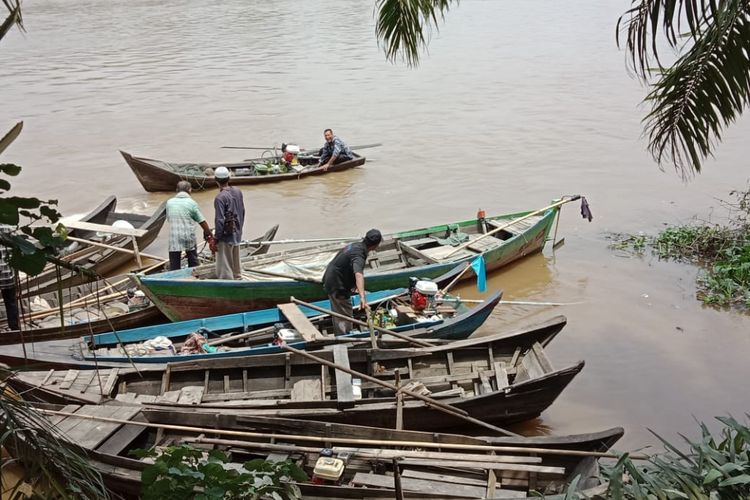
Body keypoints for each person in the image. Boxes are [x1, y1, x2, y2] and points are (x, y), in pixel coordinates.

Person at [322, 229, 382, 335]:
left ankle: (343, 333)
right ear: (375, 246)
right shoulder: (359, 255)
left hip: (332, 277)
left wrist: (353, 284)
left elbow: (346, 263)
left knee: (339, 311)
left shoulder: (356, 245)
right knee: (344, 312)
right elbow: (358, 274)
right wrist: (362, 297)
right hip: (337, 284)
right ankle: (344, 337)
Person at [166, 181, 212, 271]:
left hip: (174, 238)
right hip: (188, 237)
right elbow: (201, 220)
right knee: (193, 262)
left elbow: (169, 219)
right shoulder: (192, 203)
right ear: (190, 190)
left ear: (177, 190)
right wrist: (207, 232)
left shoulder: (169, 203)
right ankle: (194, 278)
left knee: (174, 265)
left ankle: (175, 280)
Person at [213, 166, 245, 279]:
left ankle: (227, 285)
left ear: (216, 180)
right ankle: (237, 278)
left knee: (225, 268)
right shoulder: (237, 191)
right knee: (236, 267)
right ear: (229, 178)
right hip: (237, 232)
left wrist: (216, 238)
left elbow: (219, 220)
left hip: (226, 236)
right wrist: (239, 229)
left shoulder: (220, 198)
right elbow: (242, 211)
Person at [0, 224, 18, 331]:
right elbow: (17, 249)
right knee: (11, 302)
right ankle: (14, 327)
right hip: (7, 273)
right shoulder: (9, 228)